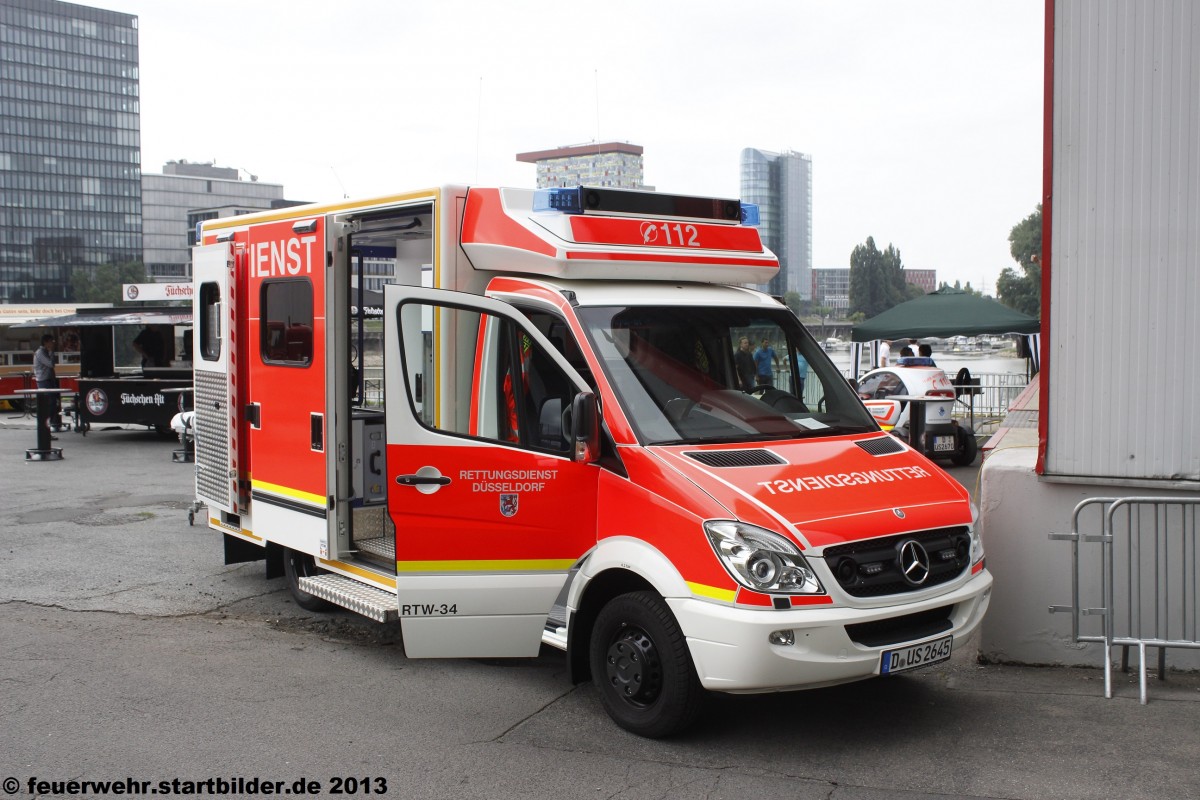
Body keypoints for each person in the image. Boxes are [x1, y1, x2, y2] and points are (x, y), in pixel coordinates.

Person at [32, 333, 62, 434]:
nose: (53, 343)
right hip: (44, 381)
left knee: (54, 403)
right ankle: (46, 425)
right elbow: (51, 364)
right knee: (49, 403)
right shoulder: (40, 353)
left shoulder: (45, 352)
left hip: (50, 380)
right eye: (51, 341)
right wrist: (51, 352)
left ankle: (52, 424)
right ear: (45, 342)